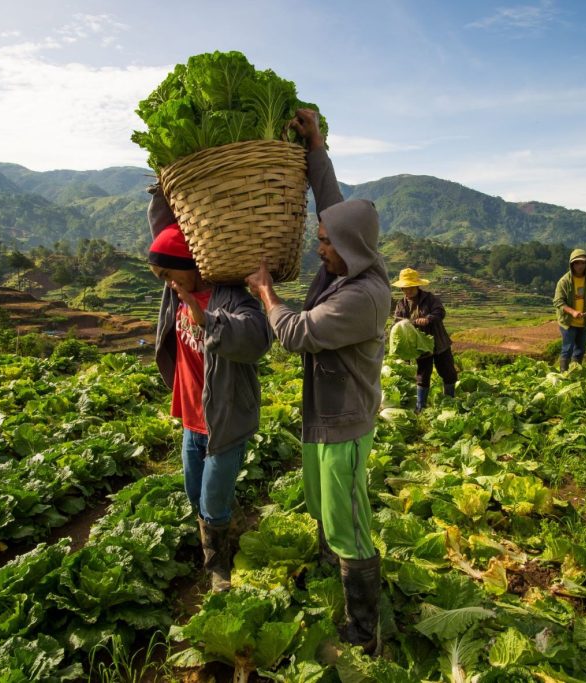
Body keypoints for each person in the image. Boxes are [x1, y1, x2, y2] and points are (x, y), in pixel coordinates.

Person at [246, 108, 391, 655]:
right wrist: (317, 146)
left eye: (326, 242)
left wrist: (265, 292)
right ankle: (335, 573)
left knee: (348, 519)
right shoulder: (344, 266)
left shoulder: (363, 296)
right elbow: (330, 203)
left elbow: (296, 333)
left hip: (345, 426)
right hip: (321, 416)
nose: (319, 246)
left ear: (349, 246)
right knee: (323, 506)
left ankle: (364, 631)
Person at [146, 193, 273, 591]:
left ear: (192, 267)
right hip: (191, 415)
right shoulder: (175, 290)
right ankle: (208, 544)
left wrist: (209, 321)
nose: (168, 284)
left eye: (171, 275)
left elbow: (258, 338)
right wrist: (164, 191)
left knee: (214, 496)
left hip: (225, 417)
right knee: (193, 489)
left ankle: (219, 563)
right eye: (164, 278)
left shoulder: (230, 297)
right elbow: (165, 235)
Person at [391, 268, 457, 411]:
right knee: (422, 375)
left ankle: (450, 402)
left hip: (439, 343)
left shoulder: (430, 298)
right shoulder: (401, 304)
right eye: (404, 288)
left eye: (409, 287)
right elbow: (396, 322)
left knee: (448, 372)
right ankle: (421, 407)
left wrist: (428, 319)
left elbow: (440, 312)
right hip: (420, 345)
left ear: (416, 286)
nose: (407, 291)